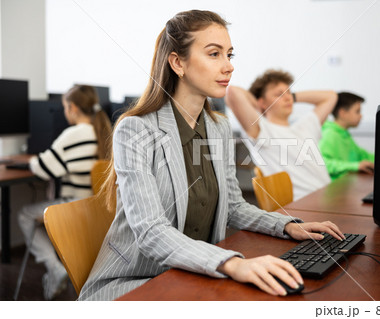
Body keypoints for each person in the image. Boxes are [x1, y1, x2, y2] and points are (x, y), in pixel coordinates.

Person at [78, 10, 345, 301]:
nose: (228, 66)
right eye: (214, 54)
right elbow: (152, 232)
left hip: (193, 275)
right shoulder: (135, 130)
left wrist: (287, 226)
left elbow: (233, 206)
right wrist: (232, 264)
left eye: (230, 55)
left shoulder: (218, 127)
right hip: (135, 281)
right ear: (178, 63)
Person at [18, 85, 112, 300]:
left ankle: (54, 267)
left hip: (75, 206)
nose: (64, 112)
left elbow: (46, 168)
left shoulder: (75, 133)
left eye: (65, 107)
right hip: (97, 209)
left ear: (73, 108)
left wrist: (31, 161)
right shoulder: (104, 131)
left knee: (24, 215)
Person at [225, 70, 337, 200]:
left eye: (288, 93)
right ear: (262, 102)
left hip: (328, 197)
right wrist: (258, 106)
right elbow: (232, 92)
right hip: (302, 205)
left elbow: (331, 96)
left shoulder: (305, 125)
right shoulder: (262, 130)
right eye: (279, 94)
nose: (287, 97)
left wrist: (292, 96)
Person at [319, 92, 374, 180]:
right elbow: (322, 164)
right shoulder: (330, 134)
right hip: (335, 189)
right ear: (343, 113)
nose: (361, 116)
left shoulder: (344, 135)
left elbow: (362, 155)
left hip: (348, 185)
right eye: (357, 111)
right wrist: (356, 166)